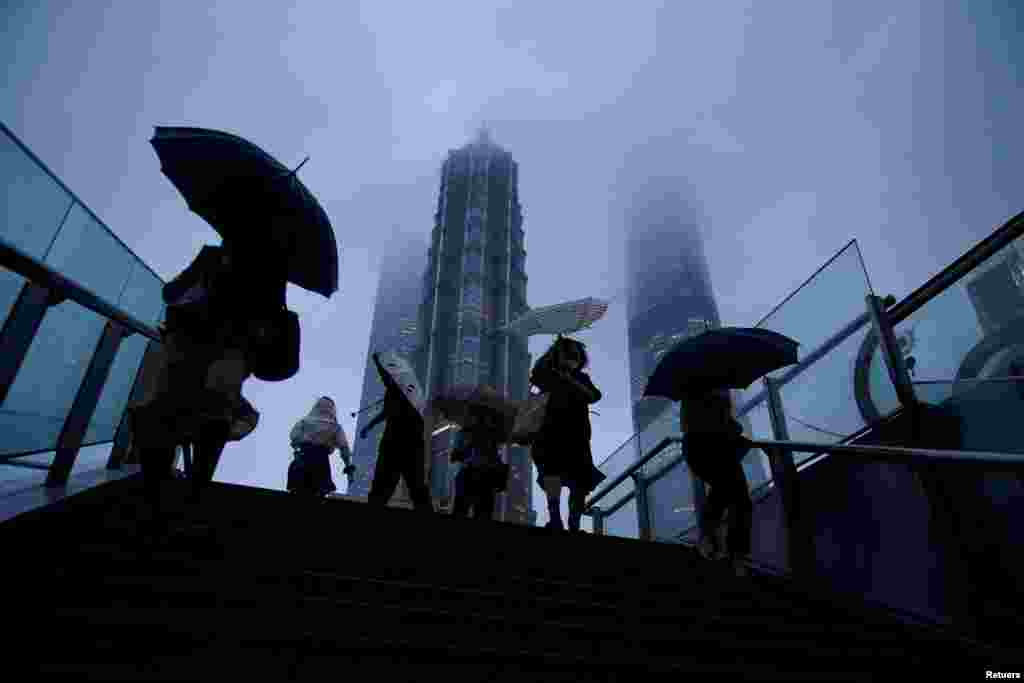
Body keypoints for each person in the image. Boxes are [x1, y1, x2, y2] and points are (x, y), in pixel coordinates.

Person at [130, 240, 278, 545]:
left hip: (188, 349)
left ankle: (156, 506)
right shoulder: (271, 268)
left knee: (167, 416)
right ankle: (192, 502)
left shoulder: (212, 255)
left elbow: (170, 293)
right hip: (228, 357)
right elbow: (271, 324)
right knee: (211, 422)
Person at [529, 336, 605, 532]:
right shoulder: (547, 373)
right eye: (569, 356)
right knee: (551, 475)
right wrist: (555, 351)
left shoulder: (580, 378)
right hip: (549, 435)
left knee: (579, 482)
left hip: (577, 437)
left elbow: (594, 396)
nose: (573, 360)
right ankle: (555, 520)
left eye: (576, 357)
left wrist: (570, 380)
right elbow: (536, 374)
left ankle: (574, 523)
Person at [679, 387, 753, 577]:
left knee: (724, 494)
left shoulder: (712, 389)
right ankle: (733, 553)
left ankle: (710, 540)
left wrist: (733, 429)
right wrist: (734, 429)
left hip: (712, 449)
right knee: (738, 499)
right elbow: (712, 423)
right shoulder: (702, 390)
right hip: (708, 449)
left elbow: (722, 423)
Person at [360, 353, 433, 511]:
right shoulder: (413, 397)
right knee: (417, 489)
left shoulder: (395, 388)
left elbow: (386, 380)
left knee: (382, 488)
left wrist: (378, 362)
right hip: (413, 446)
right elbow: (386, 412)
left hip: (393, 444)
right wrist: (370, 426)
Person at [287, 396, 355, 498]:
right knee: (318, 492)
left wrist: (297, 446)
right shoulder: (335, 427)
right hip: (321, 464)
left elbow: (294, 437)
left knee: (296, 490)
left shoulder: (304, 421)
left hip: (302, 459)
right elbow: (344, 447)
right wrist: (348, 467)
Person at [450, 406, 509, 520]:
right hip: (485, 480)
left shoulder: (465, 433)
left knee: (461, 510)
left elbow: (454, 456)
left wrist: (464, 451)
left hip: (470, 477)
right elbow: (498, 460)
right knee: (483, 513)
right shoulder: (494, 436)